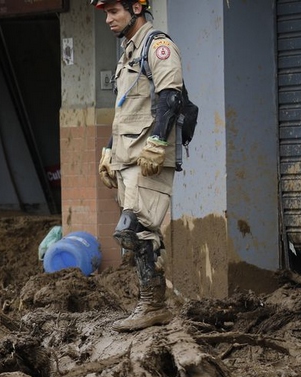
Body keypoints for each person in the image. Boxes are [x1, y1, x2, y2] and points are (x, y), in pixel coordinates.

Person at [93, 0, 182, 331]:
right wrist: (108, 150)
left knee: (136, 229)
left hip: (150, 158)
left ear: (136, 8)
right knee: (137, 235)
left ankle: (152, 306)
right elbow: (124, 110)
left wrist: (158, 143)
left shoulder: (158, 46)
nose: (108, 19)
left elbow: (170, 97)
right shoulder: (128, 53)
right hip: (127, 157)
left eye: (114, 11)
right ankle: (150, 303)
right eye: (105, 13)